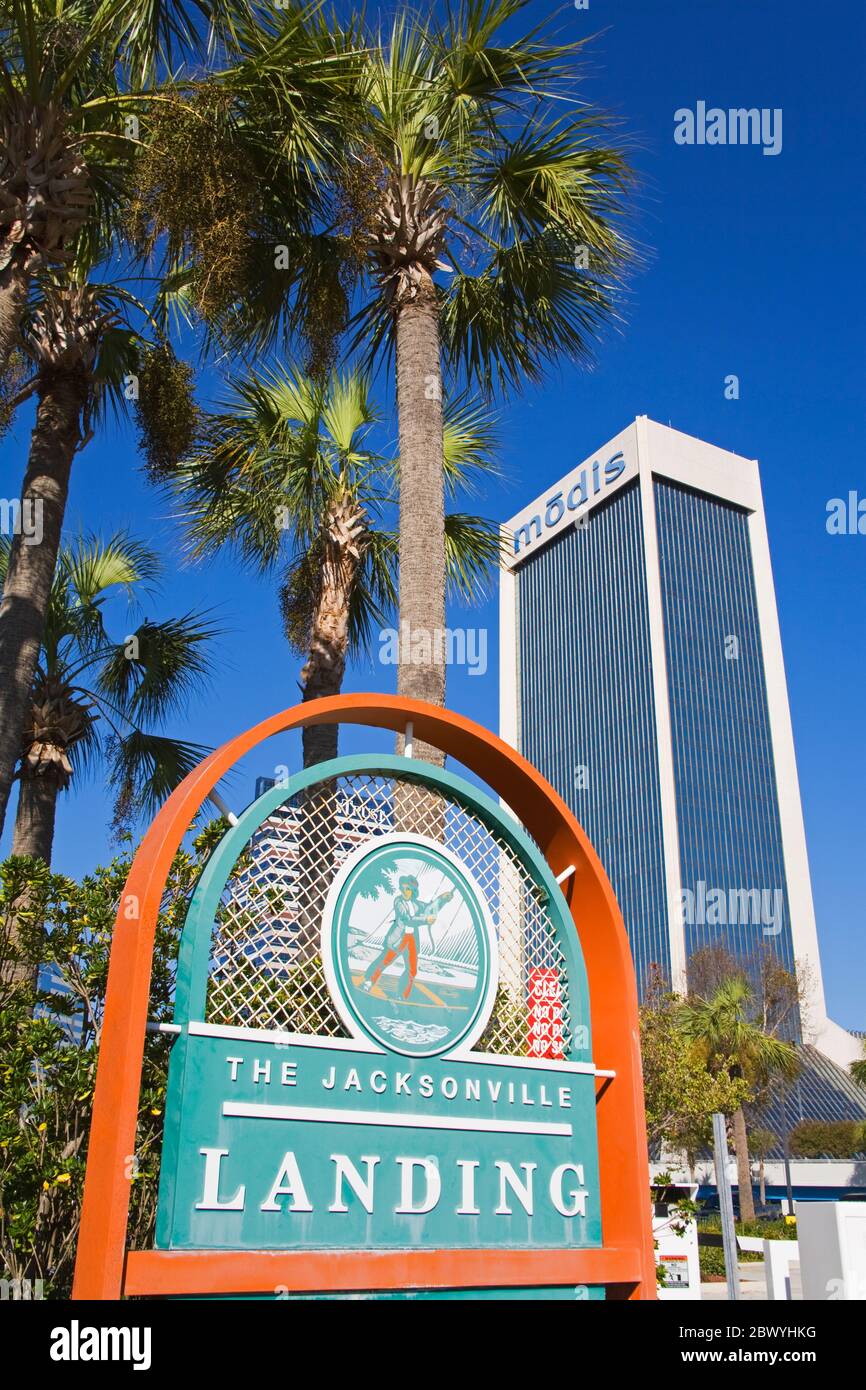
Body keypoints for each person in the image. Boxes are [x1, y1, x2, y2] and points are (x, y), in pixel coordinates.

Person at [361, 875, 456, 1001]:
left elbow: (430, 908)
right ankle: (368, 982)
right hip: (398, 939)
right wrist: (425, 919)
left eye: (408, 889)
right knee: (384, 961)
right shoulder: (398, 901)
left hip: (411, 940)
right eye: (403, 888)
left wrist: (443, 899)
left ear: (413, 891)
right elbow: (407, 919)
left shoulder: (417, 905)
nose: (404, 891)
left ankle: (402, 995)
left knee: (412, 970)